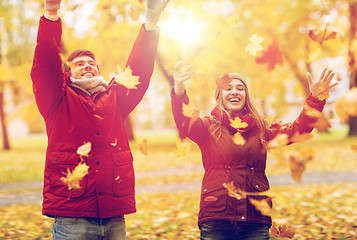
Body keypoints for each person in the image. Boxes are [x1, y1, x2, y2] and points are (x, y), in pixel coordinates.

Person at [30, 0, 170, 239]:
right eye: (79, 64)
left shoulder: (115, 97)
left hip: (113, 214)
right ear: (67, 73)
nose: (87, 66)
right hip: (72, 216)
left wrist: (151, 22)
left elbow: (138, 70)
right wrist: (51, 14)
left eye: (92, 64)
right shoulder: (56, 98)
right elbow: (44, 66)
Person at [171, 61, 336, 240]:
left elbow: (298, 130)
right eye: (228, 88)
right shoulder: (207, 126)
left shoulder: (262, 127)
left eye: (240, 88)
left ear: (246, 95)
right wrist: (179, 89)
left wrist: (316, 98)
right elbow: (184, 119)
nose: (234, 91)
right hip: (217, 217)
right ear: (220, 96)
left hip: (255, 219)